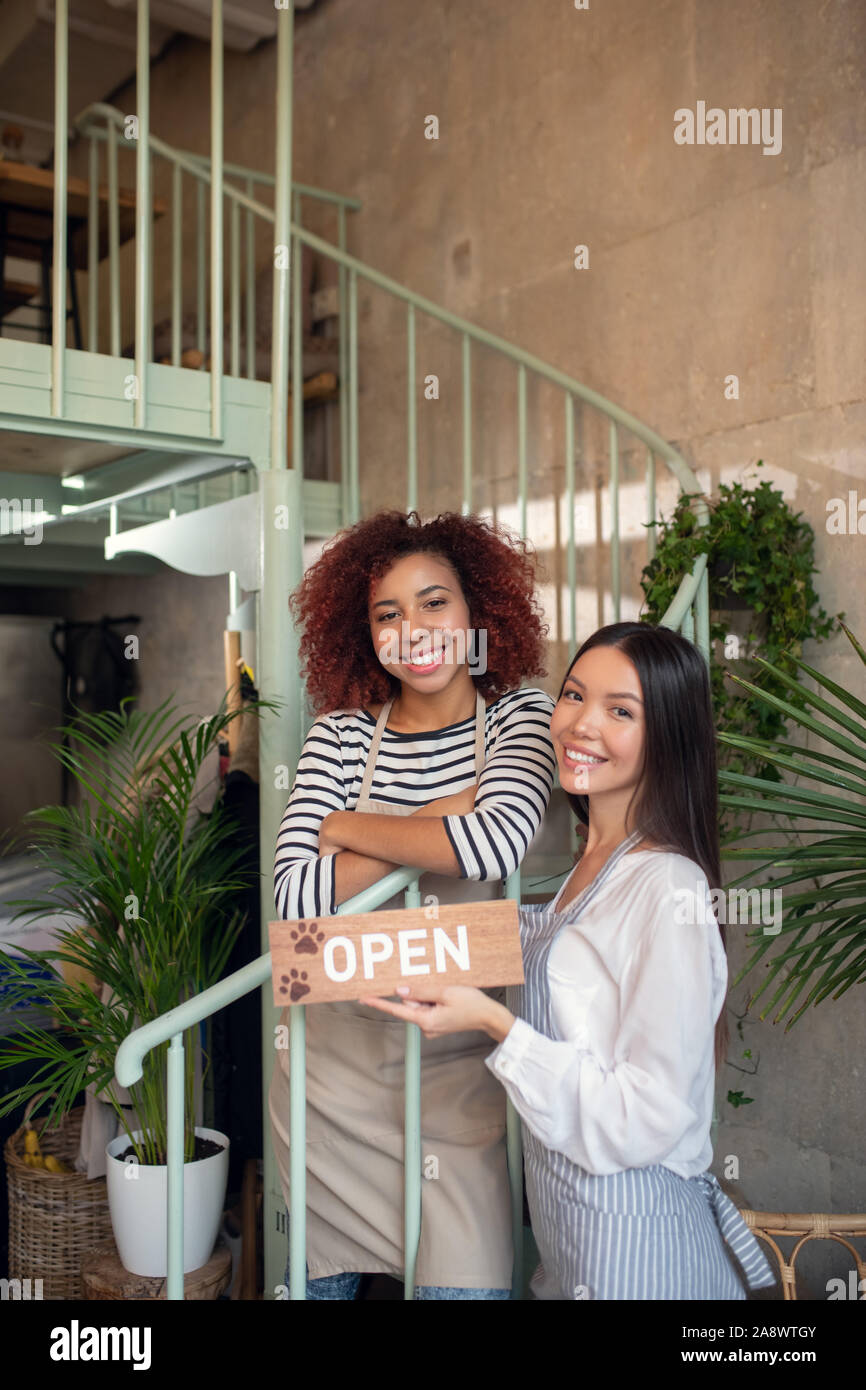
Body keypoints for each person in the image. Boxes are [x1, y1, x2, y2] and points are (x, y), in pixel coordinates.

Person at [363, 621, 777, 1300]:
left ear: (666, 736)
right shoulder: (591, 864)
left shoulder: (667, 886)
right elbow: (539, 945)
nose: (582, 724)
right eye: (575, 695)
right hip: (573, 1247)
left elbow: (648, 1115)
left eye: (620, 711)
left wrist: (495, 1026)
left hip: (643, 1256)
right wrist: (365, 948)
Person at [269, 509, 557, 1299]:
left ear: (476, 615)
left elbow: (494, 845)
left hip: (458, 1083)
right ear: (365, 634)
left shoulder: (521, 719)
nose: (413, 628)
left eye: (434, 602)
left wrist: (345, 830)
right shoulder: (338, 738)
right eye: (387, 613)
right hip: (331, 1078)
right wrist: (445, 812)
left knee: (462, 1283)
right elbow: (293, 897)